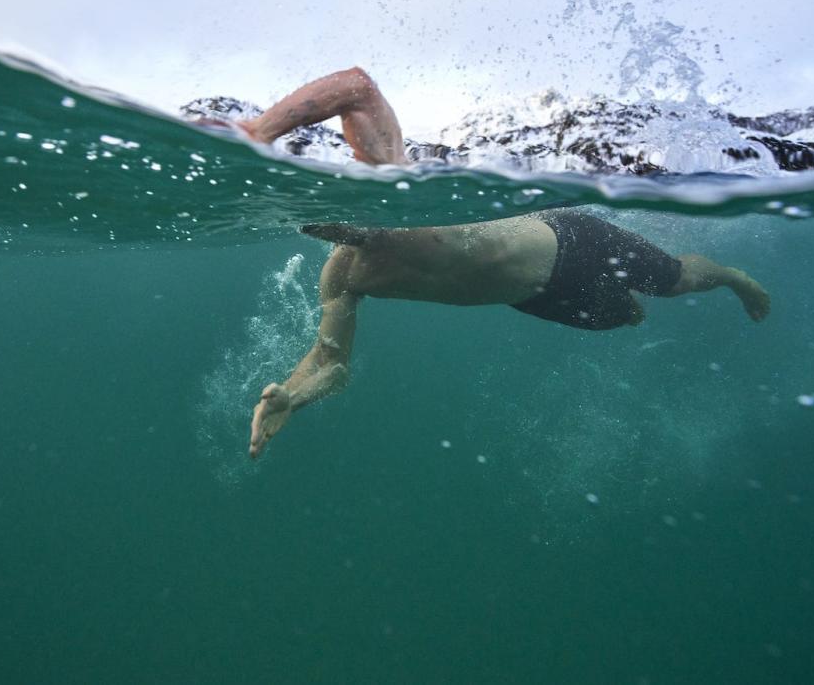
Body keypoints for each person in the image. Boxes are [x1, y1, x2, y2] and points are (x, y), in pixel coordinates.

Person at [219, 68, 770, 458]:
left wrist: (258, 132)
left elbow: (357, 86)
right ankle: (642, 304)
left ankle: (730, 277)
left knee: (673, 282)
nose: (330, 225)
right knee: (627, 317)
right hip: (534, 294)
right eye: (318, 224)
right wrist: (294, 396)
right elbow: (332, 364)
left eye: (330, 211)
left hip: (571, 239)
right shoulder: (344, 274)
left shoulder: (398, 181)